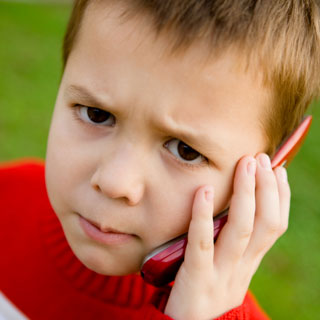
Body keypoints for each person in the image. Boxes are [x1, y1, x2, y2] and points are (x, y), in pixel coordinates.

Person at [1, 0, 319, 319]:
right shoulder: (7, 197)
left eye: (185, 150)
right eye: (97, 115)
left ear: (268, 171)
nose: (115, 182)